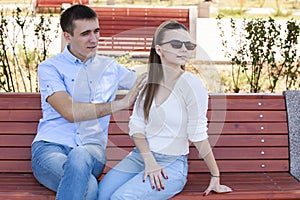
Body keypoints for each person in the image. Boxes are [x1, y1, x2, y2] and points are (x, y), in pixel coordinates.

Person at [98, 20, 232, 199]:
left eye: (188, 45)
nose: (184, 49)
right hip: (140, 157)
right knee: (101, 194)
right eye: (176, 44)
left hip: (172, 164)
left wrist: (215, 175)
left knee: (121, 198)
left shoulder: (192, 85)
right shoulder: (147, 82)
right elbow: (137, 127)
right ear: (159, 49)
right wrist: (149, 161)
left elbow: (198, 133)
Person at [31, 4, 146, 200]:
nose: (93, 39)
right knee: (90, 187)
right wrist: (119, 104)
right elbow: (69, 111)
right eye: (85, 34)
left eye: (96, 31)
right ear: (68, 36)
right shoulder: (50, 68)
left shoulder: (110, 68)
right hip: (51, 148)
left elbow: (145, 81)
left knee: (81, 155)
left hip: (92, 151)